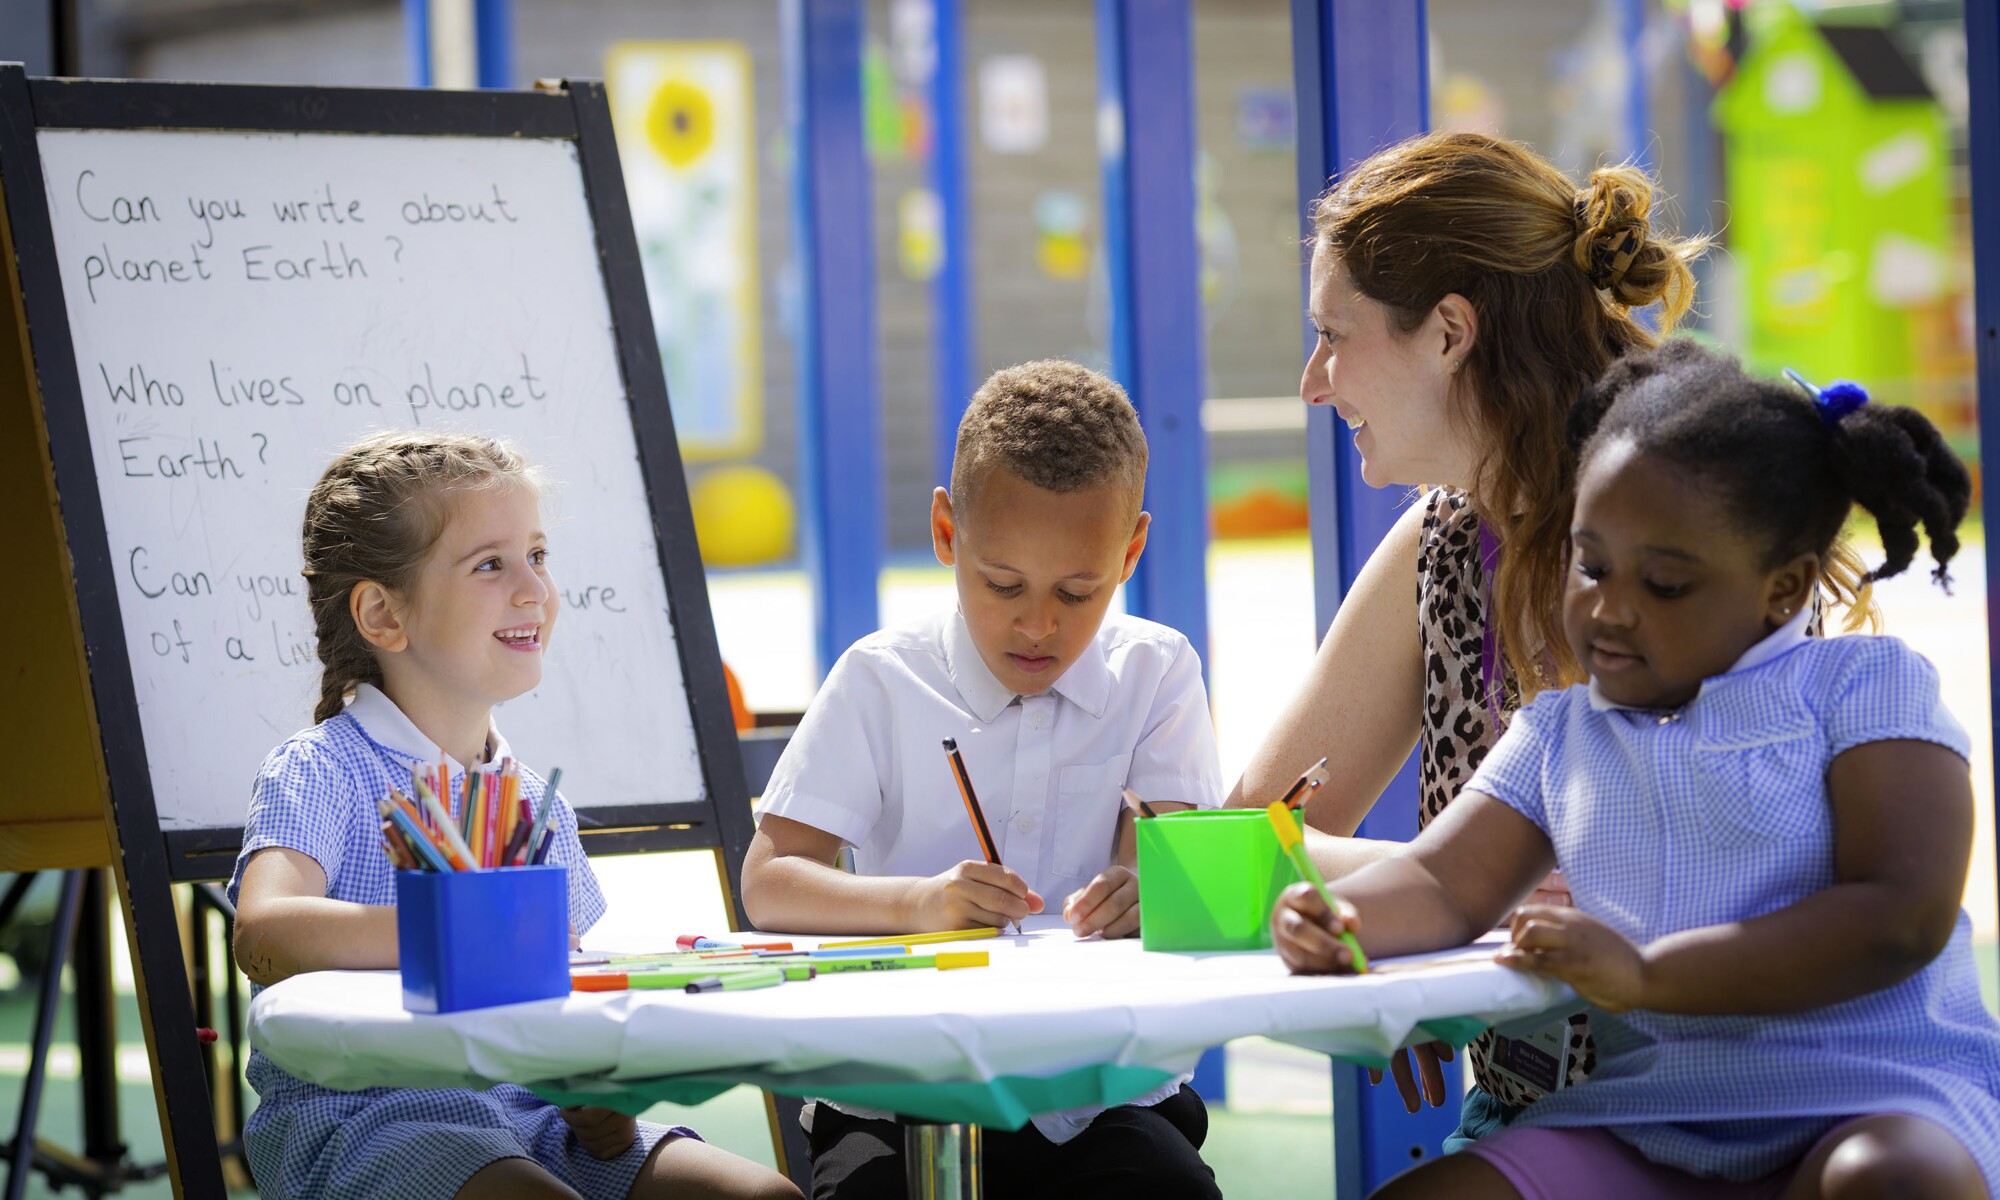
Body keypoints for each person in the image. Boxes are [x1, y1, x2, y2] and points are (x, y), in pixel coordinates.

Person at [1274, 341, 2000, 1199]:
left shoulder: (1863, 690)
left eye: (1664, 584)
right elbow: (1442, 884)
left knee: (1892, 1181)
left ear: (1784, 588)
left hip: (1874, 1102)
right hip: (1649, 1125)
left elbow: (1899, 915)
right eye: (1592, 564)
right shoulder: (1562, 732)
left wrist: (1650, 975)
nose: (1610, 608)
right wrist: (1342, 915)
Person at [1229, 129, 1834, 1133]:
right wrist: (1430, 913)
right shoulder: (1440, 544)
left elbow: (1739, 864)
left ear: (1448, 332)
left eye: (1333, 334)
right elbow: (1250, 834)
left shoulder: (1689, 521)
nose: (1312, 380)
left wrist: (1441, 907)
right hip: (1537, 1109)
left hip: (1756, 1103)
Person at [229, 431, 799, 1200]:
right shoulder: (323, 769)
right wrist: (453, 931)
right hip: (367, 1114)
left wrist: (597, 1099)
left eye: (537, 555)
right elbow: (261, 935)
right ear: (381, 614)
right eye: (490, 565)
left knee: (765, 1197)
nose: (534, 589)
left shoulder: (534, 802)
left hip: (527, 1112)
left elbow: (557, 999)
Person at [741, 360, 1224, 1199]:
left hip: (1104, 1092)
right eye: (1002, 584)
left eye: (1080, 591)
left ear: (1132, 550)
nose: (1038, 625)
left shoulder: (1158, 671)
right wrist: (916, 905)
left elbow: (1168, 861)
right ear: (945, 530)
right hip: (902, 1095)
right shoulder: (881, 678)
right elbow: (770, 882)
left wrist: (1148, 888)